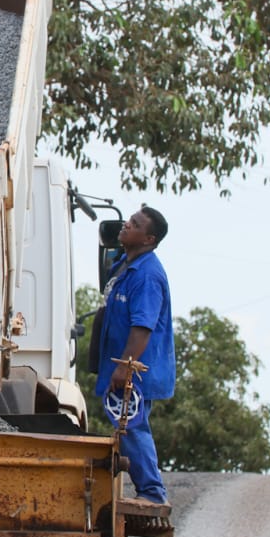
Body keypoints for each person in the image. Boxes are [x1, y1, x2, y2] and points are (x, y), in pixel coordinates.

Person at [94, 205, 175, 505]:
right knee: (125, 423)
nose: (127, 225)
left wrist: (125, 367)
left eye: (135, 224)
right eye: (129, 219)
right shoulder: (125, 266)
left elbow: (143, 326)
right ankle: (148, 489)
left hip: (137, 369)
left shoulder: (147, 275)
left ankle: (152, 493)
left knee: (131, 423)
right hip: (123, 366)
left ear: (148, 239)